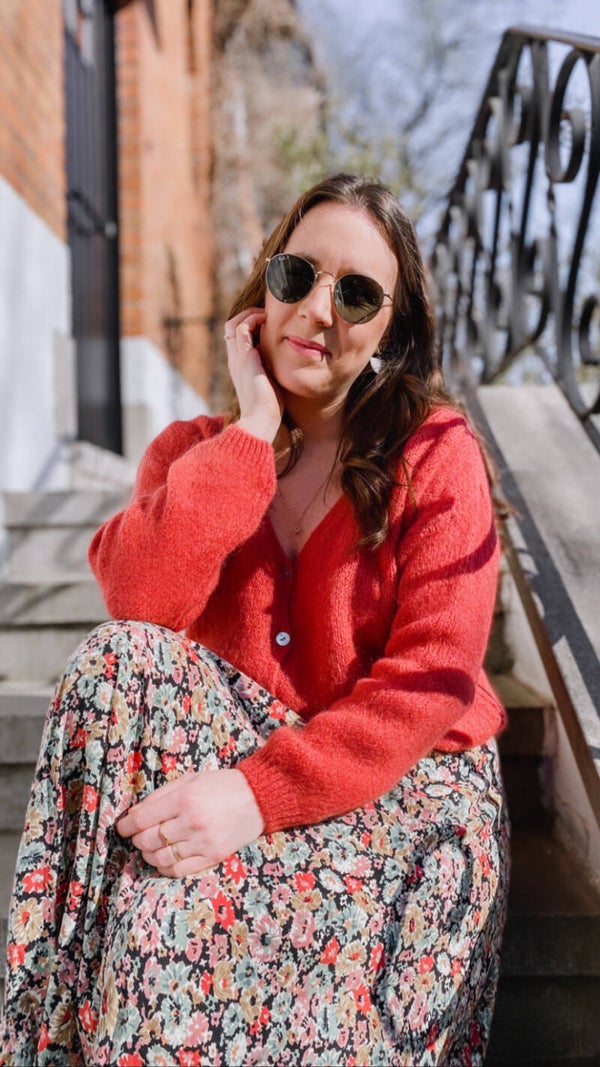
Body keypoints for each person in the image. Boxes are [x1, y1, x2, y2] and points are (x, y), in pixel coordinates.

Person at [0, 173, 509, 1066]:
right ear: (264, 287)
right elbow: (139, 600)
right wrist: (253, 431)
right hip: (242, 759)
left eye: (357, 294)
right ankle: (49, 1043)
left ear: (391, 333)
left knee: (168, 927)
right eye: (297, 275)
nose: (317, 309)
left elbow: (431, 680)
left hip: (406, 787)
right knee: (119, 662)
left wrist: (251, 795)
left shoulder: (437, 452)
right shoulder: (196, 452)